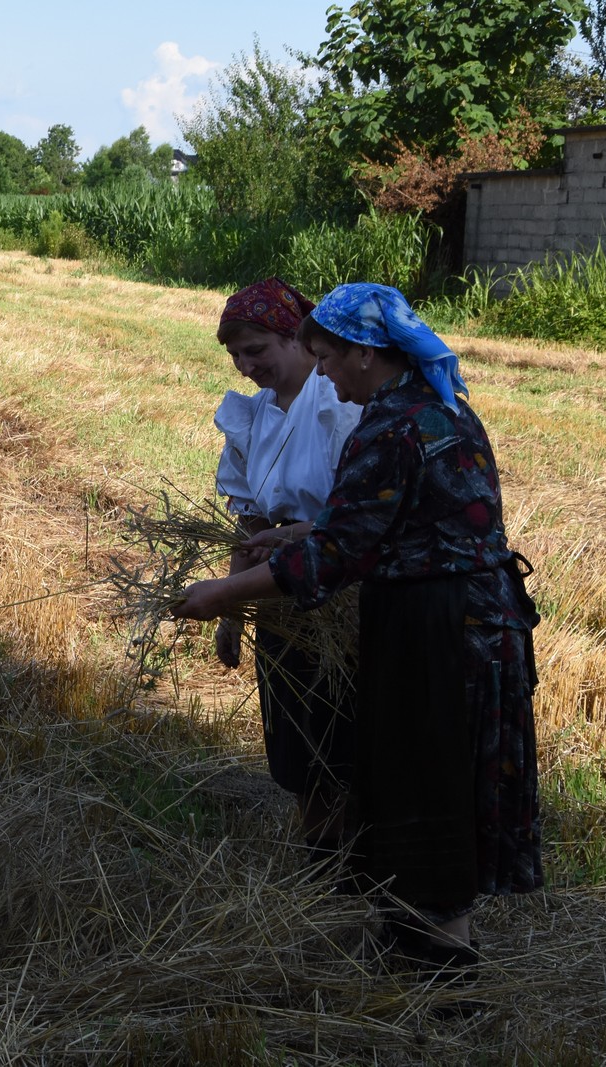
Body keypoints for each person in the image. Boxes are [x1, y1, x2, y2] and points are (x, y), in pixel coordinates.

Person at [175, 283, 542, 977]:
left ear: (365, 354)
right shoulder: (437, 409)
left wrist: (225, 593)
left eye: (328, 358)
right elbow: (400, 519)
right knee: (418, 776)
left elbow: (334, 558)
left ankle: (443, 968)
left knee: (427, 781)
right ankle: (415, 936)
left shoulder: (391, 426)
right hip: (465, 613)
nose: (326, 374)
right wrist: (308, 527)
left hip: (439, 625)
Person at [211, 278, 360, 867]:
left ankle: (351, 865)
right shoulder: (251, 419)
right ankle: (319, 858)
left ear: (295, 337)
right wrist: (231, 611)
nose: (247, 367)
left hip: (338, 595)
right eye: (235, 355)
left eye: (257, 350)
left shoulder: (339, 407)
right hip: (278, 596)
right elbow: (251, 525)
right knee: (294, 737)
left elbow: (357, 520)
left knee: (338, 734)